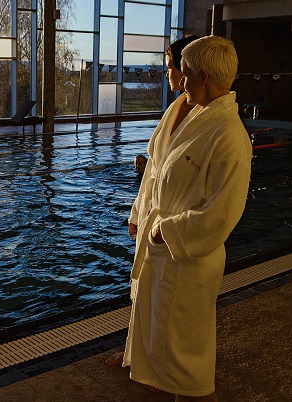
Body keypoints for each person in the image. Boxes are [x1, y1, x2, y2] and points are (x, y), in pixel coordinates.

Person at [120, 36, 252, 402]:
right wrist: (142, 216)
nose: (179, 78)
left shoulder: (229, 135)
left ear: (203, 76)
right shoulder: (193, 112)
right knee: (165, 344)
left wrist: (167, 230)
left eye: (186, 72)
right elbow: (157, 172)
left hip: (188, 258)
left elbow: (223, 212)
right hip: (165, 251)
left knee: (188, 365)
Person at [106, 34, 199, 368]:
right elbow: (153, 171)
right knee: (141, 292)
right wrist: (136, 213)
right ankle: (134, 353)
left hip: (171, 227)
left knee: (163, 302)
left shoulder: (206, 120)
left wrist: (165, 228)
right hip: (152, 219)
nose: (169, 74)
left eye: (172, 67)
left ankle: (158, 366)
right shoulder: (175, 109)